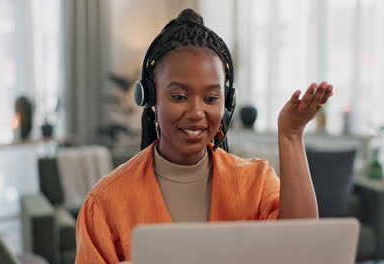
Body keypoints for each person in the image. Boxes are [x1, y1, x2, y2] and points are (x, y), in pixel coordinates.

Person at [75, 8, 334, 264]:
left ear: (227, 101)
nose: (197, 113)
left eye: (211, 98)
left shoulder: (256, 183)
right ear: (150, 98)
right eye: (179, 97)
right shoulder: (106, 201)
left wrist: (290, 135)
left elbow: (300, 248)